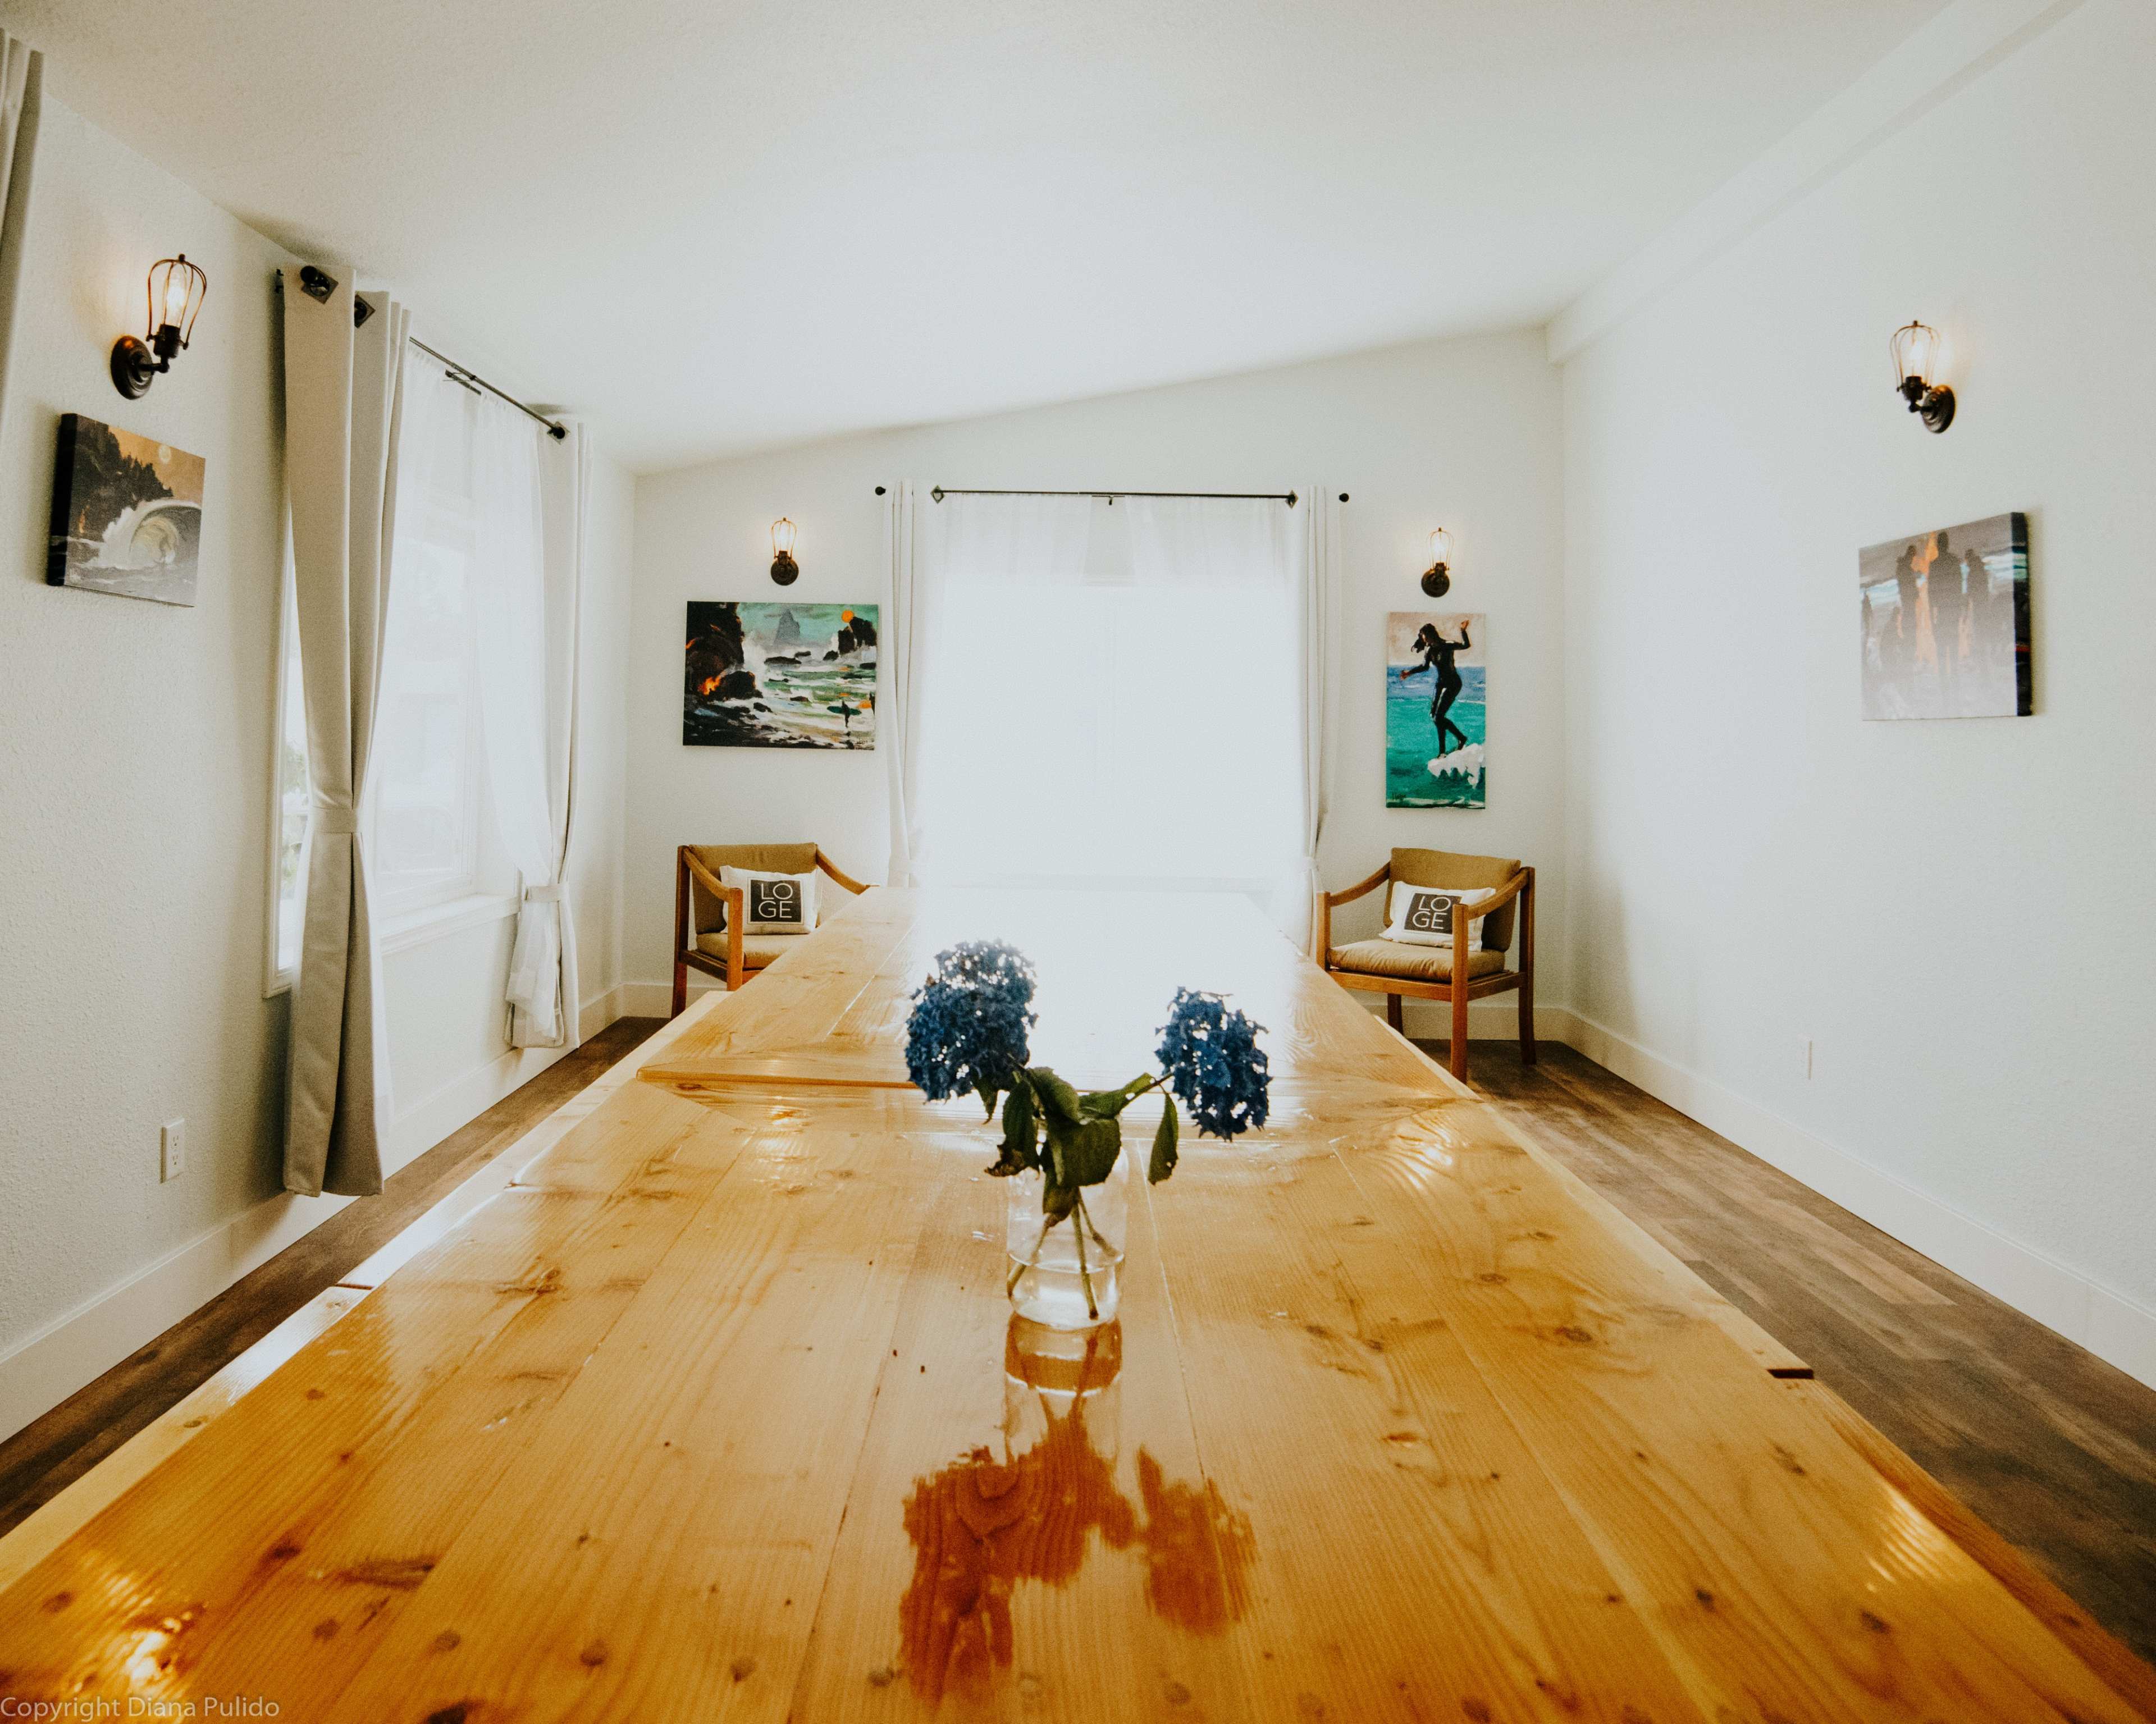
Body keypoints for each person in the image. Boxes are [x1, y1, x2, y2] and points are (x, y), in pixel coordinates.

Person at [1402, 620, 1472, 756]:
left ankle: (1457, 742)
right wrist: (1409, 673)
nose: (1422, 639)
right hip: (1441, 684)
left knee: (1439, 717)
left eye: (1423, 636)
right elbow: (1425, 666)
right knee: (1434, 716)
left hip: (1453, 683)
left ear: (1429, 635)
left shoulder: (1447, 645)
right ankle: (1447, 748)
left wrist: (1463, 631)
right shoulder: (1429, 649)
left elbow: (1466, 645)